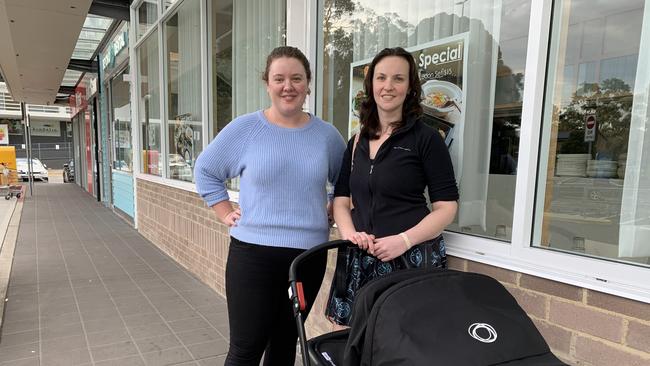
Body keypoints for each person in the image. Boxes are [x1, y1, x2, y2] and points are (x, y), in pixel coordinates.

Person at [194, 46, 346, 365]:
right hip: (253, 256)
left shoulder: (327, 136)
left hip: (307, 259)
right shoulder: (247, 129)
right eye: (279, 78)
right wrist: (224, 211)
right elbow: (206, 169)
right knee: (246, 348)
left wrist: (333, 206)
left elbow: (346, 182)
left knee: (284, 345)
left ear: (308, 84)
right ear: (267, 84)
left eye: (296, 78)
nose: (287, 86)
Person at [326, 47, 459, 326]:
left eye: (398, 79)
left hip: (408, 260)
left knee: (407, 342)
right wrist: (350, 234)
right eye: (381, 78)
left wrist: (404, 241)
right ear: (371, 84)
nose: (388, 86)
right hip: (362, 258)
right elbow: (341, 199)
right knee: (361, 342)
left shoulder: (426, 139)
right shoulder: (357, 141)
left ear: (410, 87)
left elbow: (447, 208)